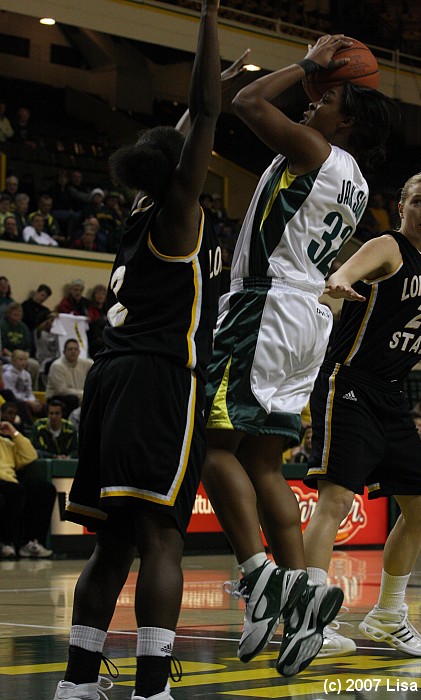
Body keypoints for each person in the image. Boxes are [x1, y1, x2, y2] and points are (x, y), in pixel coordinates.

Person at [202, 34, 394, 677]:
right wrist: (320, 79)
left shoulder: (317, 149)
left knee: (211, 445)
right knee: (261, 459)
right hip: (307, 317)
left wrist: (304, 67)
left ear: (348, 116)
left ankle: (259, 577)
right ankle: (304, 591)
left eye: (326, 97)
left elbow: (250, 101)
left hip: (267, 307)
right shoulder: (358, 183)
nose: (312, 101)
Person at [52, 3, 222, 699]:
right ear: (177, 166)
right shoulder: (179, 212)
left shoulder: (138, 213)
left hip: (109, 381)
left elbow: (183, 127)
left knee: (112, 543)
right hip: (157, 381)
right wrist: (210, 17)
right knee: (161, 539)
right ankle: (153, 687)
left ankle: (76, 683)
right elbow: (203, 107)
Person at [302, 170, 421, 659]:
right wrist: (338, 281)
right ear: (402, 207)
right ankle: (311, 622)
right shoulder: (389, 247)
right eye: (418, 201)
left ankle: (388, 616)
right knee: (334, 501)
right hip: (349, 382)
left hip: (390, 396)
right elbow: (347, 272)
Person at [0, 401, 55, 559]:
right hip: (6, 484)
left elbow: (30, 456)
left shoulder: (9, 442)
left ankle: (30, 542)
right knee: (16, 491)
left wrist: (14, 433)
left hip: (11, 482)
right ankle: (6, 542)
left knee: (45, 490)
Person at [46, 338, 93, 417]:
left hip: (79, 396)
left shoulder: (85, 363)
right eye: (70, 349)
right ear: (64, 352)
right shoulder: (57, 366)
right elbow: (61, 390)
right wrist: (82, 393)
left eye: (75, 349)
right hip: (57, 398)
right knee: (73, 399)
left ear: (79, 352)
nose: (73, 351)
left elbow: (97, 367)